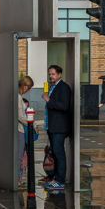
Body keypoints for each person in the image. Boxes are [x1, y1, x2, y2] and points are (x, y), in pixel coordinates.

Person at [42, 64, 72, 192]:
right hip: (52, 125)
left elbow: (64, 106)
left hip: (59, 126)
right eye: (49, 74)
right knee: (54, 152)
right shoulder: (52, 87)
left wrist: (49, 100)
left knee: (59, 153)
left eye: (53, 74)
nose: (51, 76)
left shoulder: (63, 87)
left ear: (59, 75)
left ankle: (60, 180)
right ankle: (54, 177)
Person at [17, 75, 35, 188]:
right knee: (19, 155)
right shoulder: (18, 97)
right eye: (28, 87)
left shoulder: (18, 96)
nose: (28, 90)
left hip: (19, 127)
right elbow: (20, 116)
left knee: (19, 154)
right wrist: (31, 124)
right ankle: (17, 180)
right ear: (24, 85)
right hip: (19, 128)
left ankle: (17, 179)